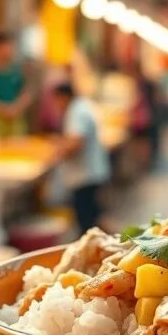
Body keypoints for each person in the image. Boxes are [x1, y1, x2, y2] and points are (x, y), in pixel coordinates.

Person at [51, 82, 111, 233]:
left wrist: (59, 152)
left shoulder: (76, 112)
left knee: (87, 220)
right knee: (94, 214)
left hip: (85, 175)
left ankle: (96, 249)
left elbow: (76, 143)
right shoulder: (82, 105)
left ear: (63, 97)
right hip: (91, 171)